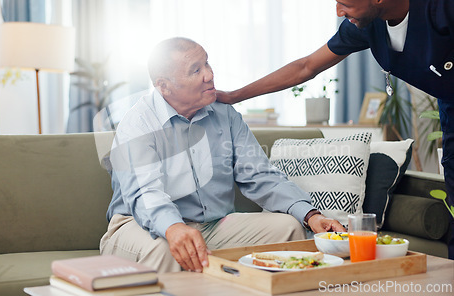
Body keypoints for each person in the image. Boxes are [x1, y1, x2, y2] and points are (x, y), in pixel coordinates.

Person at [217, 0, 454, 260]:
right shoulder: (366, 25)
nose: (339, 11)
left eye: (345, 3)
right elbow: (306, 66)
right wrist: (234, 95)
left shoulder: (441, 10)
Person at [100, 37, 345, 273]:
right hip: (138, 226)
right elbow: (145, 194)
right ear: (164, 86)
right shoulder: (138, 122)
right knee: (167, 248)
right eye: (196, 70)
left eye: (206, 63)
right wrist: (173, 228)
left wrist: (310, 215)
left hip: (213, 226)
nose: (209, 74)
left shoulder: (224, 113)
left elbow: (259, 174)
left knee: (288, 228)